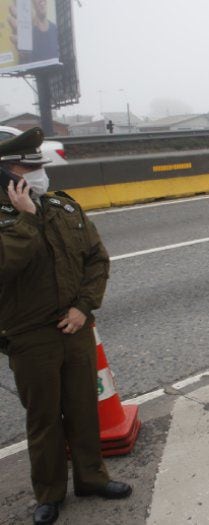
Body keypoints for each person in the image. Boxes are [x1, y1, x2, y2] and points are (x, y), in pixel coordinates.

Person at [0, 128, 132, 525]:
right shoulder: (8, 218)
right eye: (27, 168)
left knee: (82, 409)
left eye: (39, 167)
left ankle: (92, 477)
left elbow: (97, 259)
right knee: (44, 419)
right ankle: (49, 494)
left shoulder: (63, 208)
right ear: (6, 173)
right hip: (29, 335)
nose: (37, 175)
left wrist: (83, 308)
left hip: (75, 328)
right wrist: (25, 220)